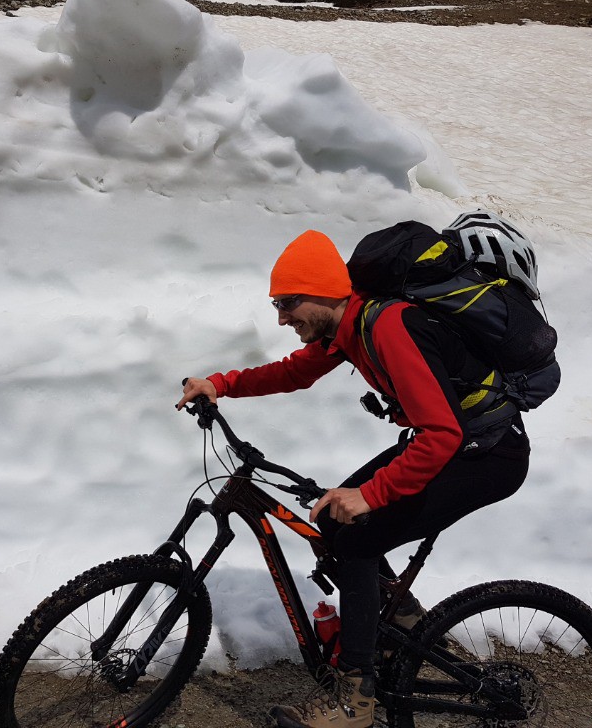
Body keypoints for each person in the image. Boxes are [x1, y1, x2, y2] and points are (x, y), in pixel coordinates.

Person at [176, 229, 530, 728]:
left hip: (485, 456)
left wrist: (371, 495)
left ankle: (355, 699)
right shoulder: (350, 325)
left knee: (358, 535)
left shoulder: (389, 326)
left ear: (323, 291)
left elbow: (441, 433)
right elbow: (293, 372)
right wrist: (221, 384)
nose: (281, 318)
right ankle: (406, 628)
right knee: (332, 518)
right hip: (457, 446)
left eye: (287, 303)